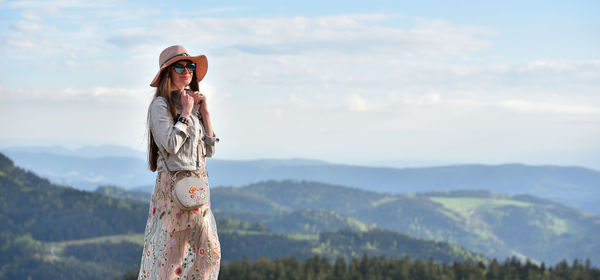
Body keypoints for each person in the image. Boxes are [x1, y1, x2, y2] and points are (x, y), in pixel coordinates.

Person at [138, 45, 221, 280]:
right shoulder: (161, 106)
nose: (187, 70)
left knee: (211, 253)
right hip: (173, 188)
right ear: (168, 73)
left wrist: (204, 114)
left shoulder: (192, 105)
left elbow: (210, 151)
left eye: (190, 66)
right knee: (173, 260)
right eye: (180, 66)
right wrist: (185, 112)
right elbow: (171, 145)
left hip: (196, 186)